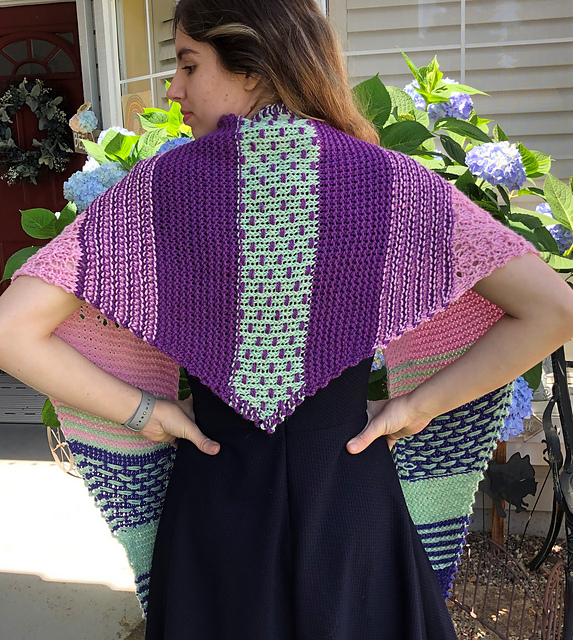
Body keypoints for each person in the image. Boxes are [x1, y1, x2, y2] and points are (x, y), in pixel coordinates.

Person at [0, 0, 572, 638]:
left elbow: (12, 331)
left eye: (189, 65)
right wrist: (419, 406)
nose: (174, 88)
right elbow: (552, 310)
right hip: (352, 501)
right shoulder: (389, 183)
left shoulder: (159, 191)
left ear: (251, 67)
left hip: (215, 507)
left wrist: (148, 413)